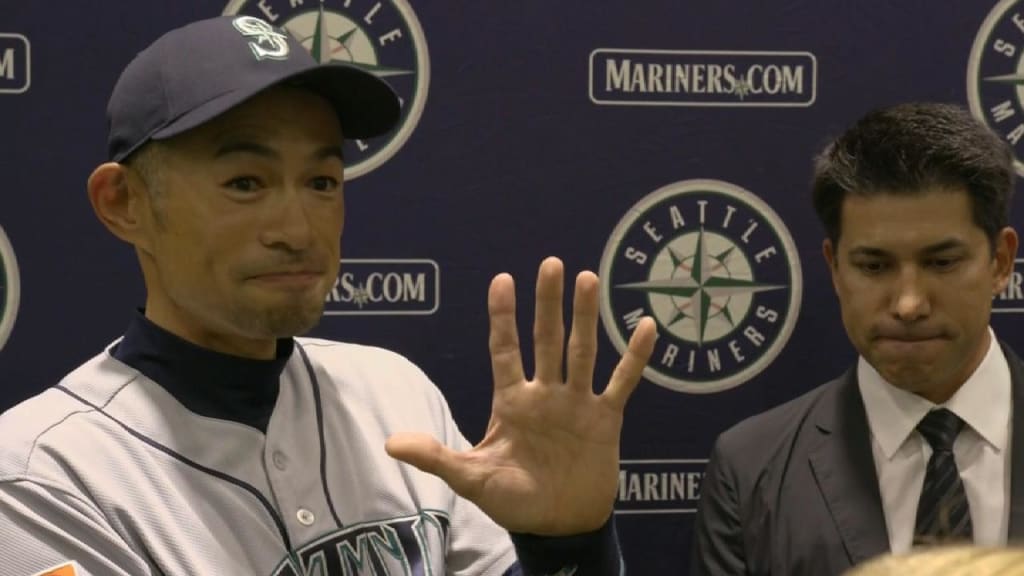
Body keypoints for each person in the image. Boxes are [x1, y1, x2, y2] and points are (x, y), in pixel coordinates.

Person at [0, 15, 657, 576]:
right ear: (125, 203)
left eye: (320, 181)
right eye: (246, 183)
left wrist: (567, 544)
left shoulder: (394, 395)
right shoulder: (41, 475)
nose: (297, 231)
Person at [690, 101, 1022, 575]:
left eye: (942, 263)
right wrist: (571, 540)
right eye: (874, 266)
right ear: (835, 267)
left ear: (1001, 262)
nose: (909, 304)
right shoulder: (750, 469)